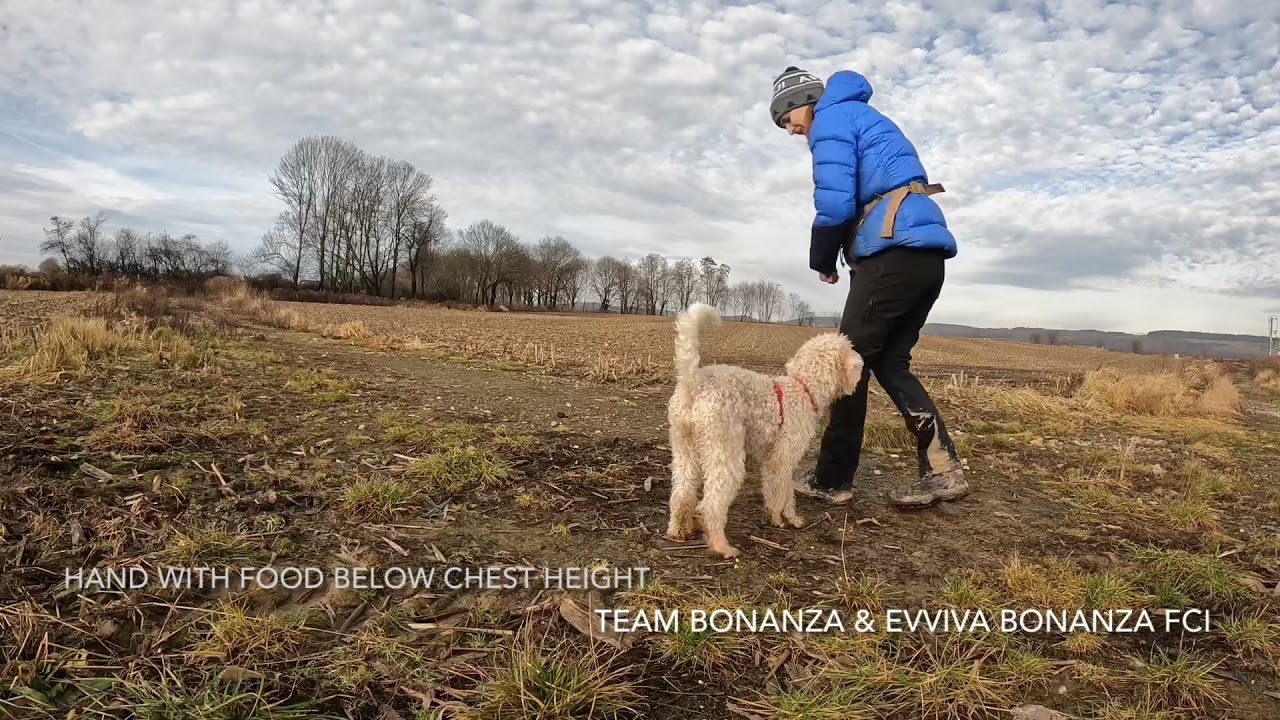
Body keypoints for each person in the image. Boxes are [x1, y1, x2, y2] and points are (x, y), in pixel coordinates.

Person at [768, 66, 970, 509]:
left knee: (846, 364)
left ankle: (831, 479)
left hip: (893, 255)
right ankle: (943, 470)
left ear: (805, 102)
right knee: (892, 364)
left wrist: (822, 259)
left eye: (787, 118)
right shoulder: (861, 115)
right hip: (924, 257)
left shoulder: (833, 119)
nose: (790, 130)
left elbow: (835, 203)